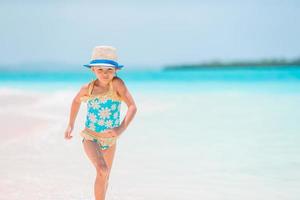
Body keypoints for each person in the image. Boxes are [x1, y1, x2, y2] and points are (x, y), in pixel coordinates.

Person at [64, 45, 137, 200]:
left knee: (105, 177)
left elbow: (132, 106)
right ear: (93, 70)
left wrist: (120, 129)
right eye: (100, 70)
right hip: (91, 137)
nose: (105, 74)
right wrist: (71, 124)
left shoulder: (117, 84)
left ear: (116, 70)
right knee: (102, 169)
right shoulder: (87, 89)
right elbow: (76, 102)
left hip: (110, 140)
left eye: (109, 70)